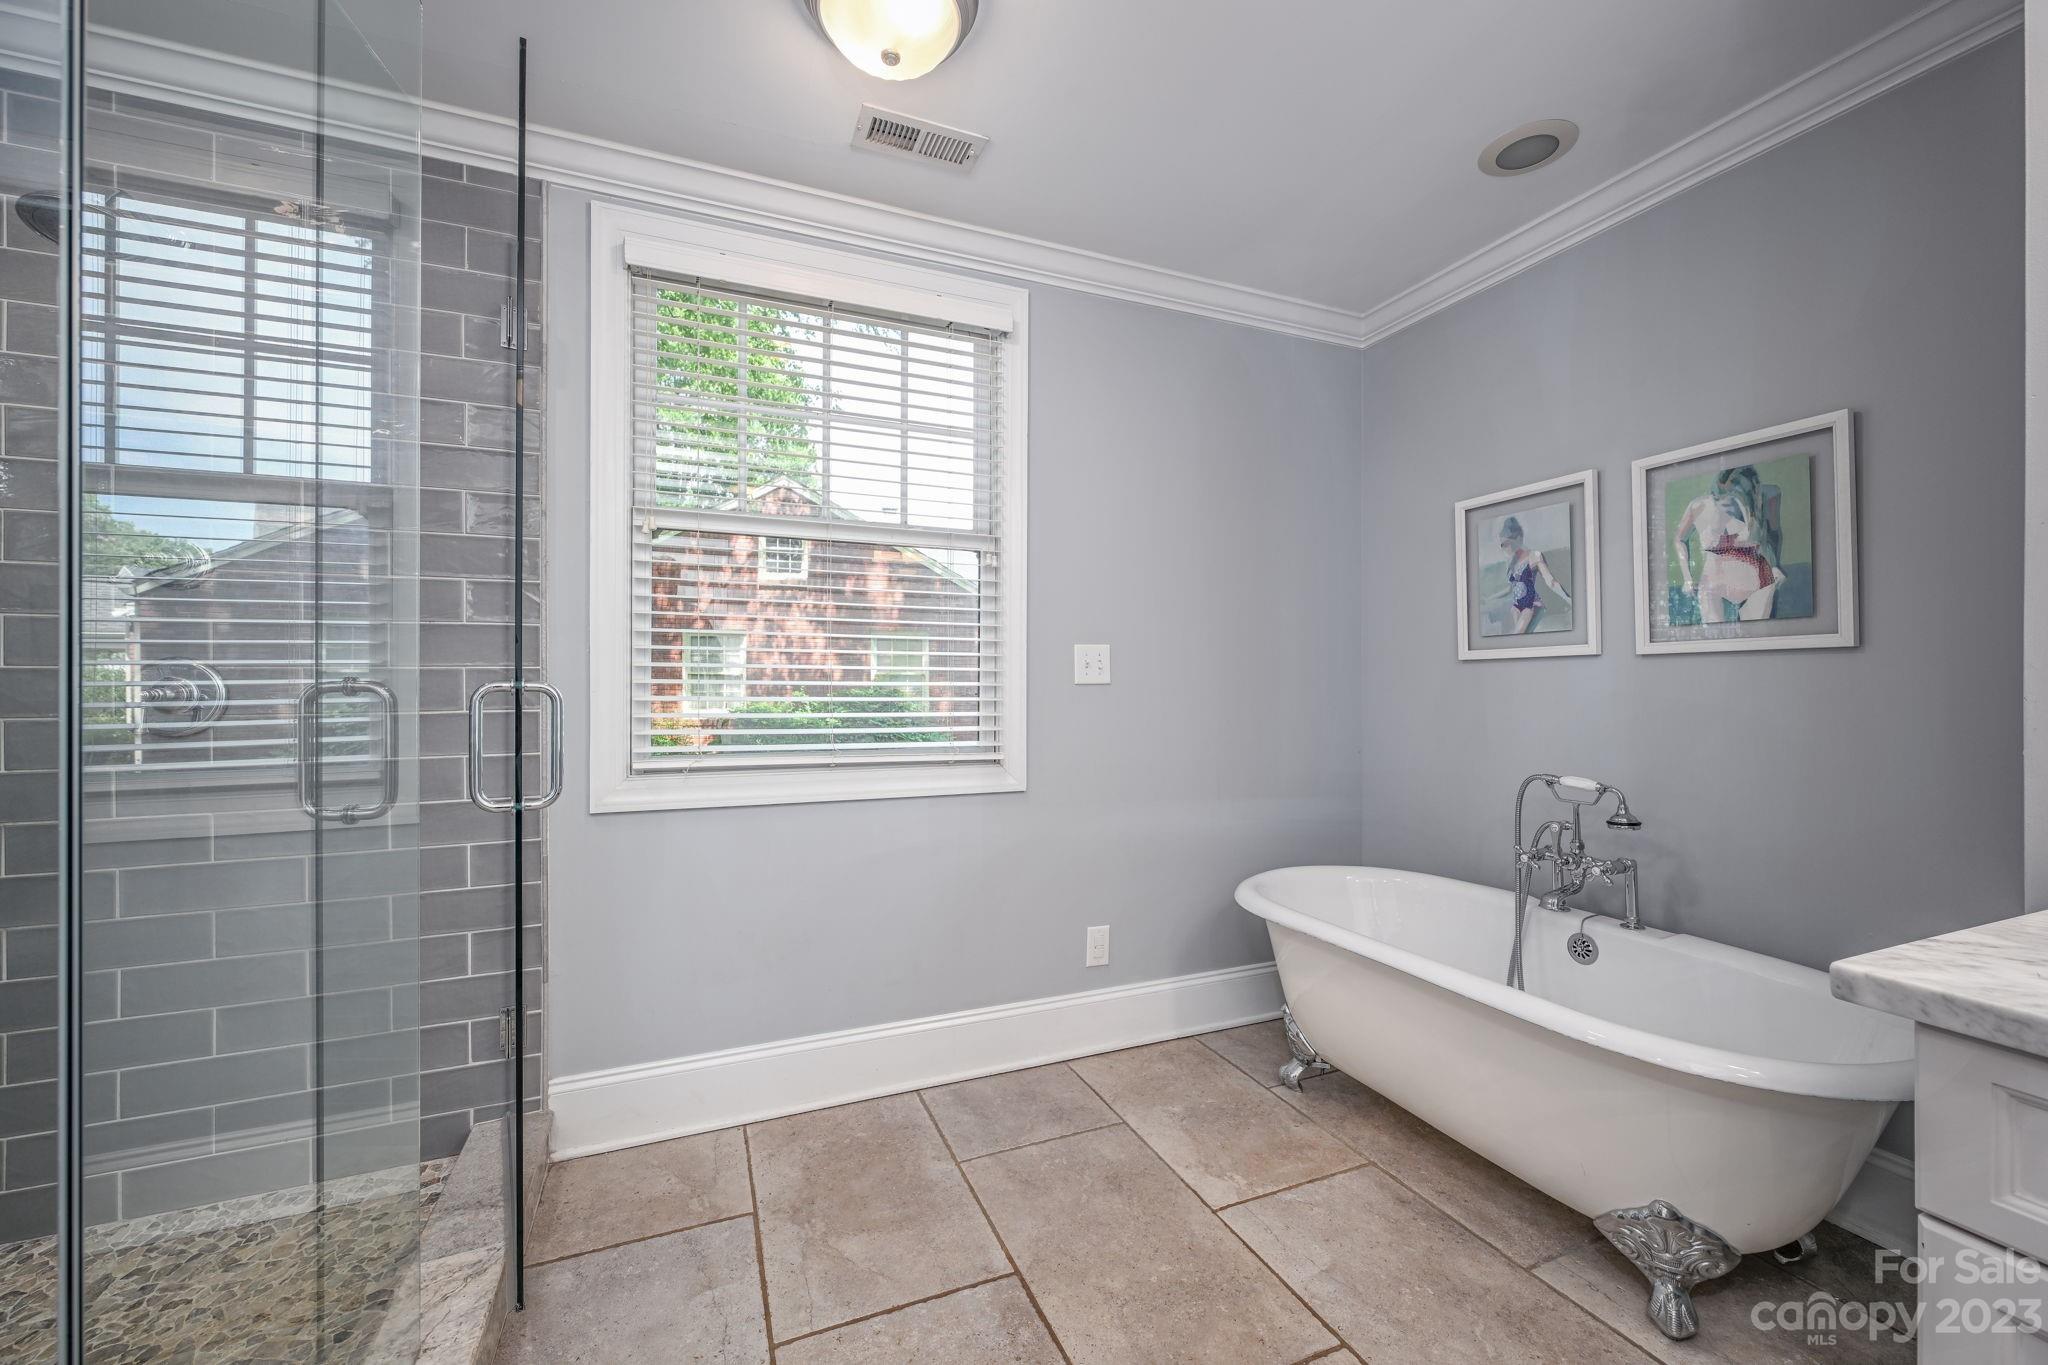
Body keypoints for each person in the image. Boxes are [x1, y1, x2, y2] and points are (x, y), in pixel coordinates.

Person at [1672, 465, 1782, 622]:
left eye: (1730, 501)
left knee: (1755, 639)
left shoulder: (1767, 497)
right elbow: (1679, 539)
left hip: (1759, 583)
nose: (1723, 505)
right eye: (1718, 498)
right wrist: (1687, 578)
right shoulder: (1699, 506)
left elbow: (1773, 535)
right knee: (1715, 640)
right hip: (1714, 586)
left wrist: (1776, 565)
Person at [1490, 515, 1570, 634]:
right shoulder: (1512, 563)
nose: (1505, 548)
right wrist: (1491, 598)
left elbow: (1550, 581)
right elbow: (1509, 589)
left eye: (1508, 543)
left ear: (1519, 538)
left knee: (1518, 635)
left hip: (1530, 605)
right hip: (1516, 607)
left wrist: (1567, 598)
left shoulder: (1534, 556)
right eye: (1503, 544)